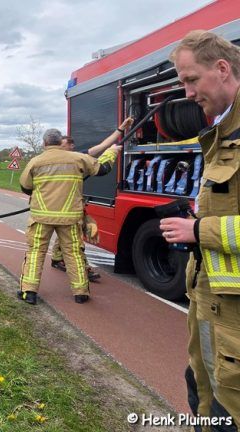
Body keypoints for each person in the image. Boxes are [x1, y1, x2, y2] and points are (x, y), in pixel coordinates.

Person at [161, 30, 240, 424]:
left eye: (191, 80)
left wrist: (198, 231)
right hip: (211, 305)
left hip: (233, 319)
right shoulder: (222, 132)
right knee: (202, 393)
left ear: (222, 69)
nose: (187, 93)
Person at [18, 129, 120, 305]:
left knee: (35, 253)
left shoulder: (36, 162)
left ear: (44, 143)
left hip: (42, 217)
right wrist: (112, 152)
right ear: (60, 142)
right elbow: (103, 169)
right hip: (70, 218)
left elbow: (25, 187)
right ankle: (81, 293)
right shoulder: (77, 159)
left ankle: (29, 292)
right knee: (74, 254)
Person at [50, 116, 135, 281]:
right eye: (68, 143)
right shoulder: (60, 161)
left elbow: (101, 146)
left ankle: (57, 258)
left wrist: (120, 130)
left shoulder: (77, 157)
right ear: (60, 146)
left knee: (65, 234)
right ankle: (82, 269)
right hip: (63, 206)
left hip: (68, 204)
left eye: (72, 143)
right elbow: (101, 168)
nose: (72, 145)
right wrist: (110, 154)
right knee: (75, 239)